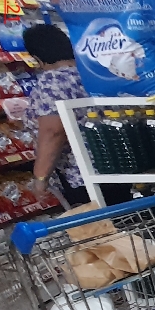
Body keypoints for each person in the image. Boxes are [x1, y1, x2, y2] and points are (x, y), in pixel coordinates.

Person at [21, 24, 91, 206]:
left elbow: (54, 131)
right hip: (112, 164)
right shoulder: (90, 72)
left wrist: (41, 177)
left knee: (98, 222)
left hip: (80, 174)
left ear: (38, 58)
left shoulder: (52, 81)